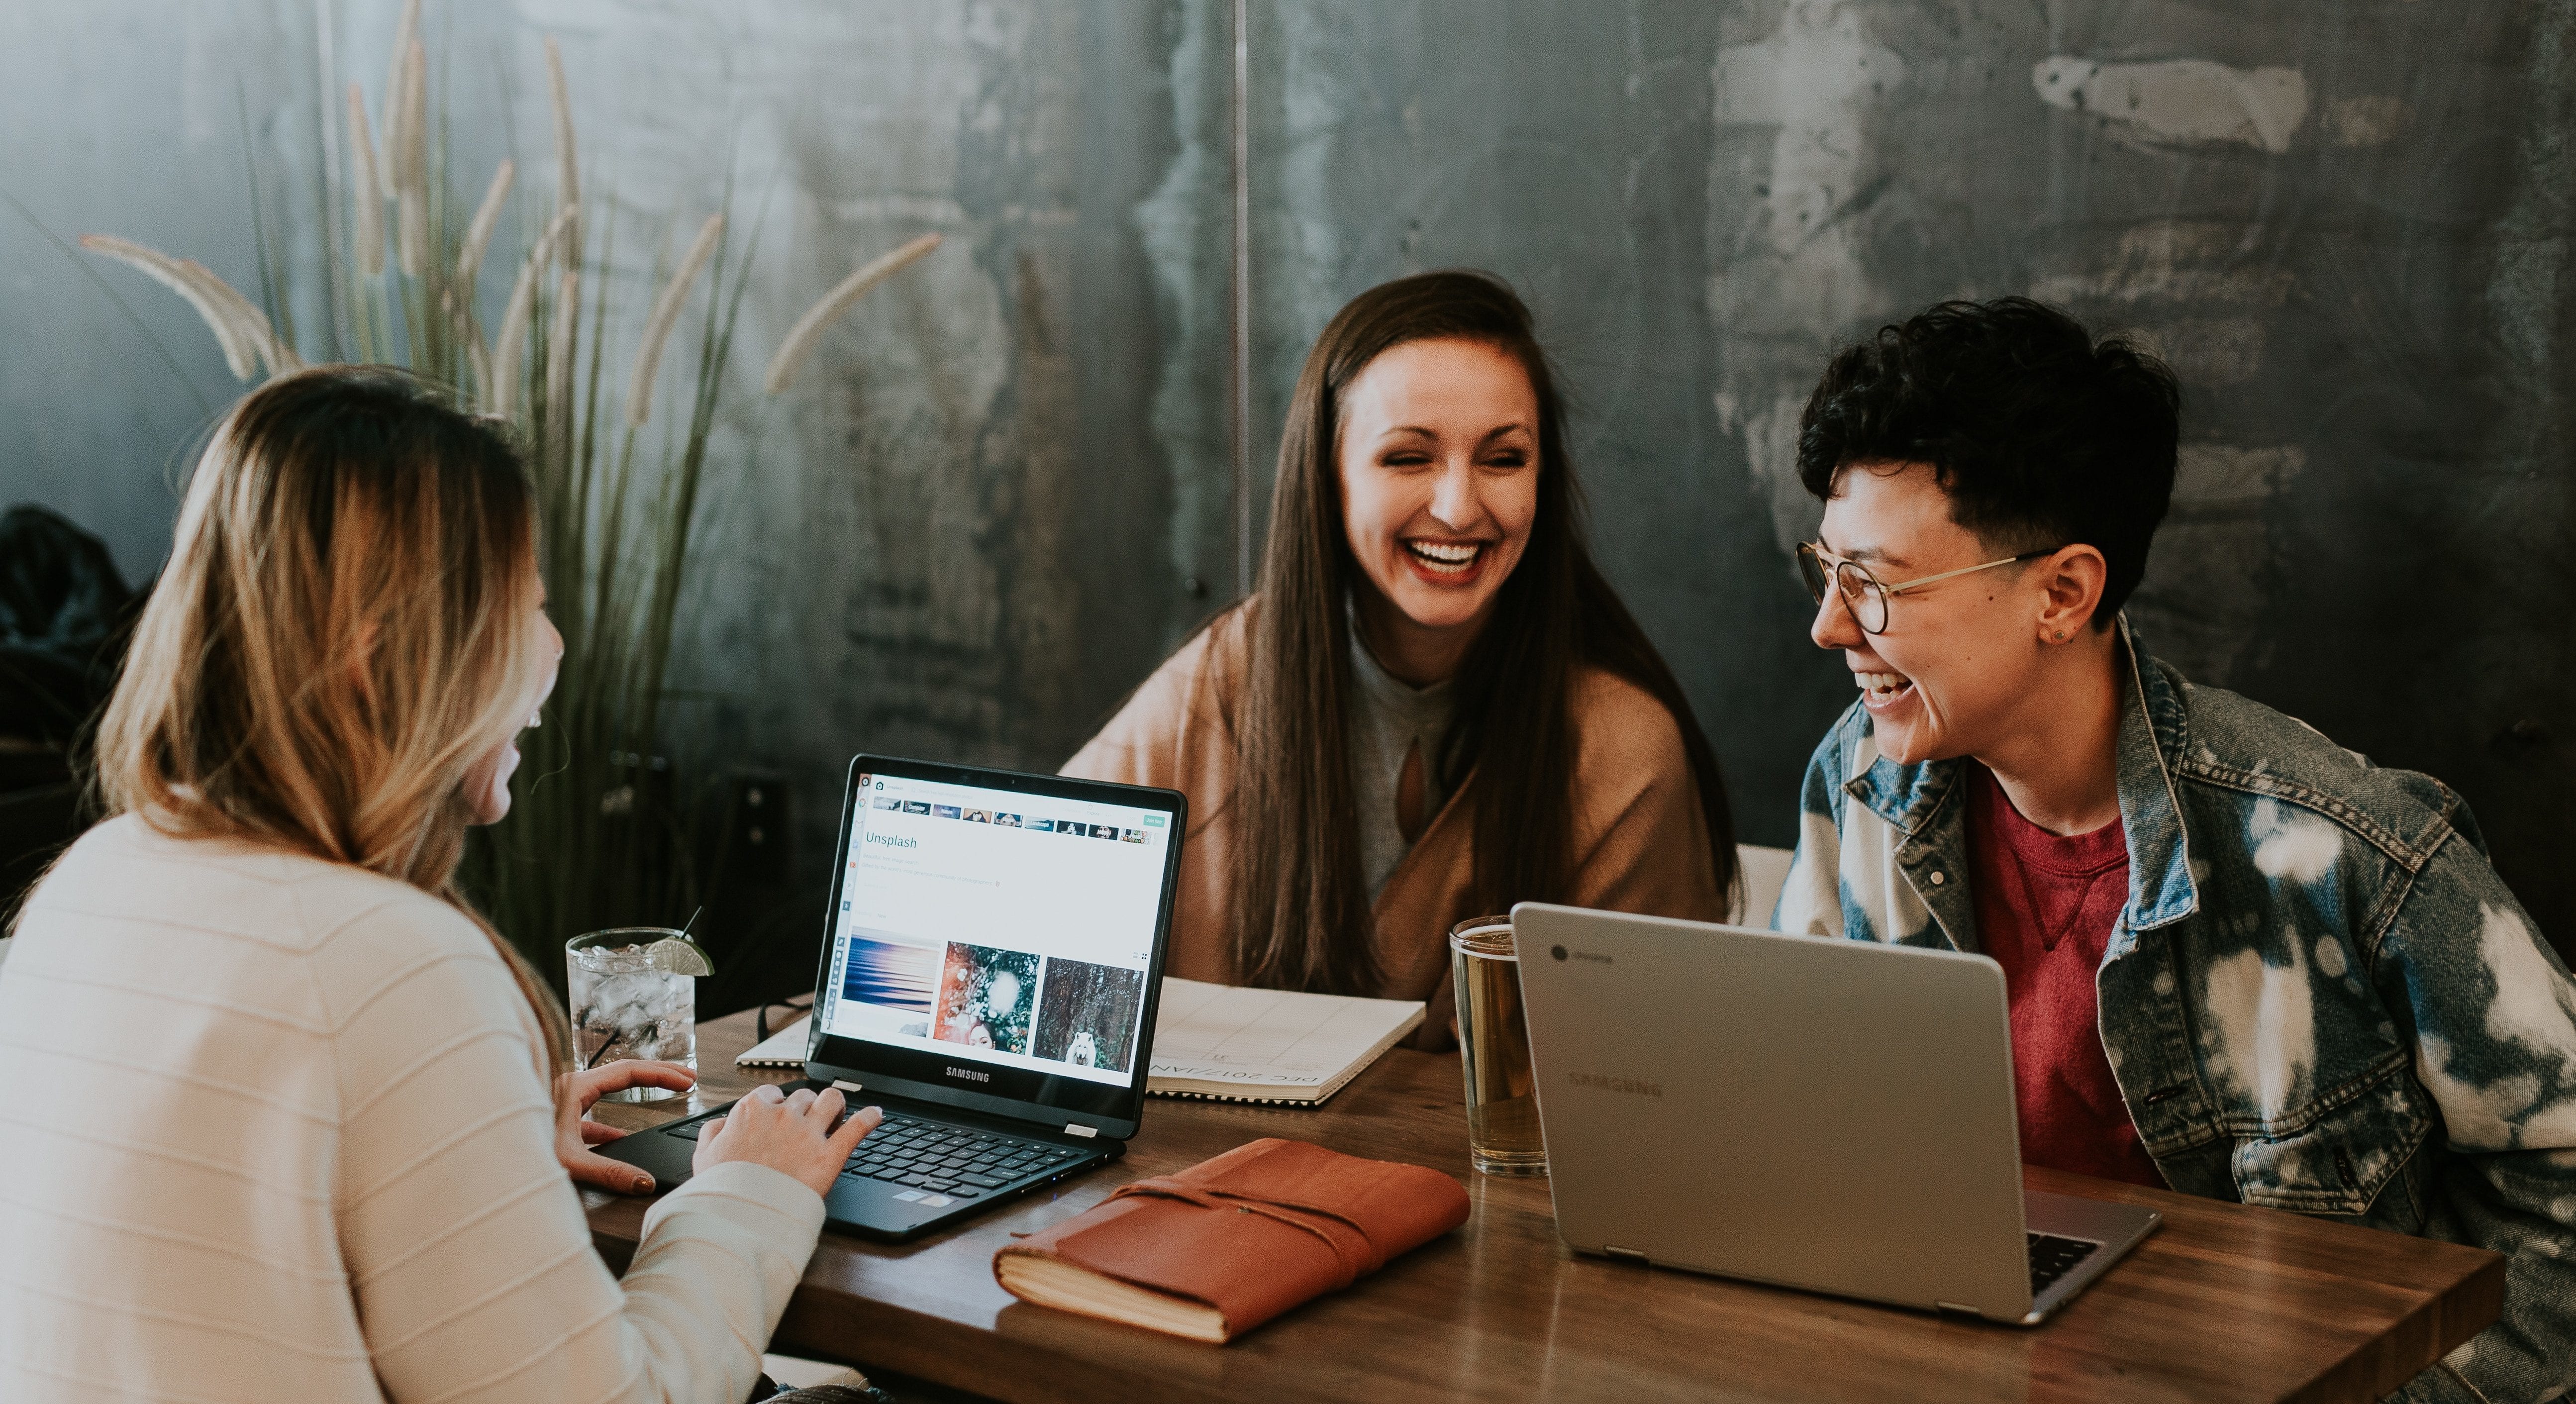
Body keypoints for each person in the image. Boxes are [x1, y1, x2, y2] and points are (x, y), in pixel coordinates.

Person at [0, 367, 882, 1403]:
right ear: (388, 658)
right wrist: (743, 1193)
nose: (553, 651)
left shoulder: (89, 883)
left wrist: (477, 1144)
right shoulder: (391, 965)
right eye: (528, 607)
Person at [1773, 297, 2575, 1403]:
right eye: (1825, 567)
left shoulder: (2344, 852)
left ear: (2064, 593)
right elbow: (1788, 1121)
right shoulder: (1861, 780)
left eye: (1875, 583)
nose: (1828, 624)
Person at [1067, 271, 1738, 1039]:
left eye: (1503, 459)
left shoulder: (1622, 748)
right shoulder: (1226, 675)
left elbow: (1653, 1078)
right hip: (1211, 1159)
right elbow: (1026, 896)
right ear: (1329, 478)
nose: (1458, 507)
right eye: (1407, 458)